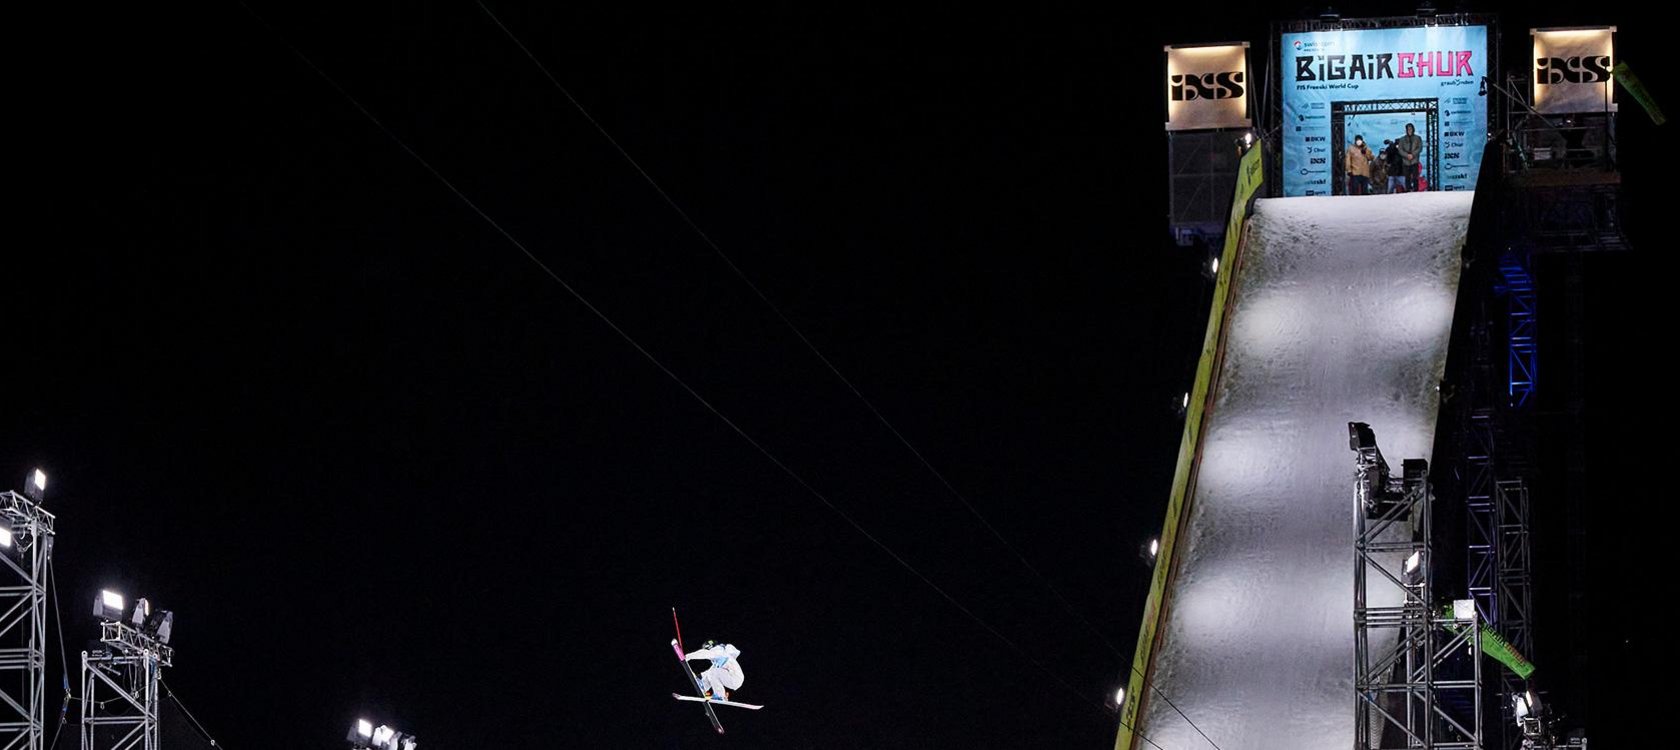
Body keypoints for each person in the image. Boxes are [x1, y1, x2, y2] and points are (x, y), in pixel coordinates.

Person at [1396, 123, 1424, 192]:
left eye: (1410, 129)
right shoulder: (1402, 139)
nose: (1409, 130)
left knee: (1415, 177)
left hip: (1414, 160)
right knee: (1407, 178)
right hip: (1406, 161)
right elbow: (1400, 149)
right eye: (1408, 129)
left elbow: (1419, 148)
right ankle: (1408, 190)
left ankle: (1415, 190)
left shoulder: (1417, 138)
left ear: (1413, 129)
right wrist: (1406, 155)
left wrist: (1413, 155)